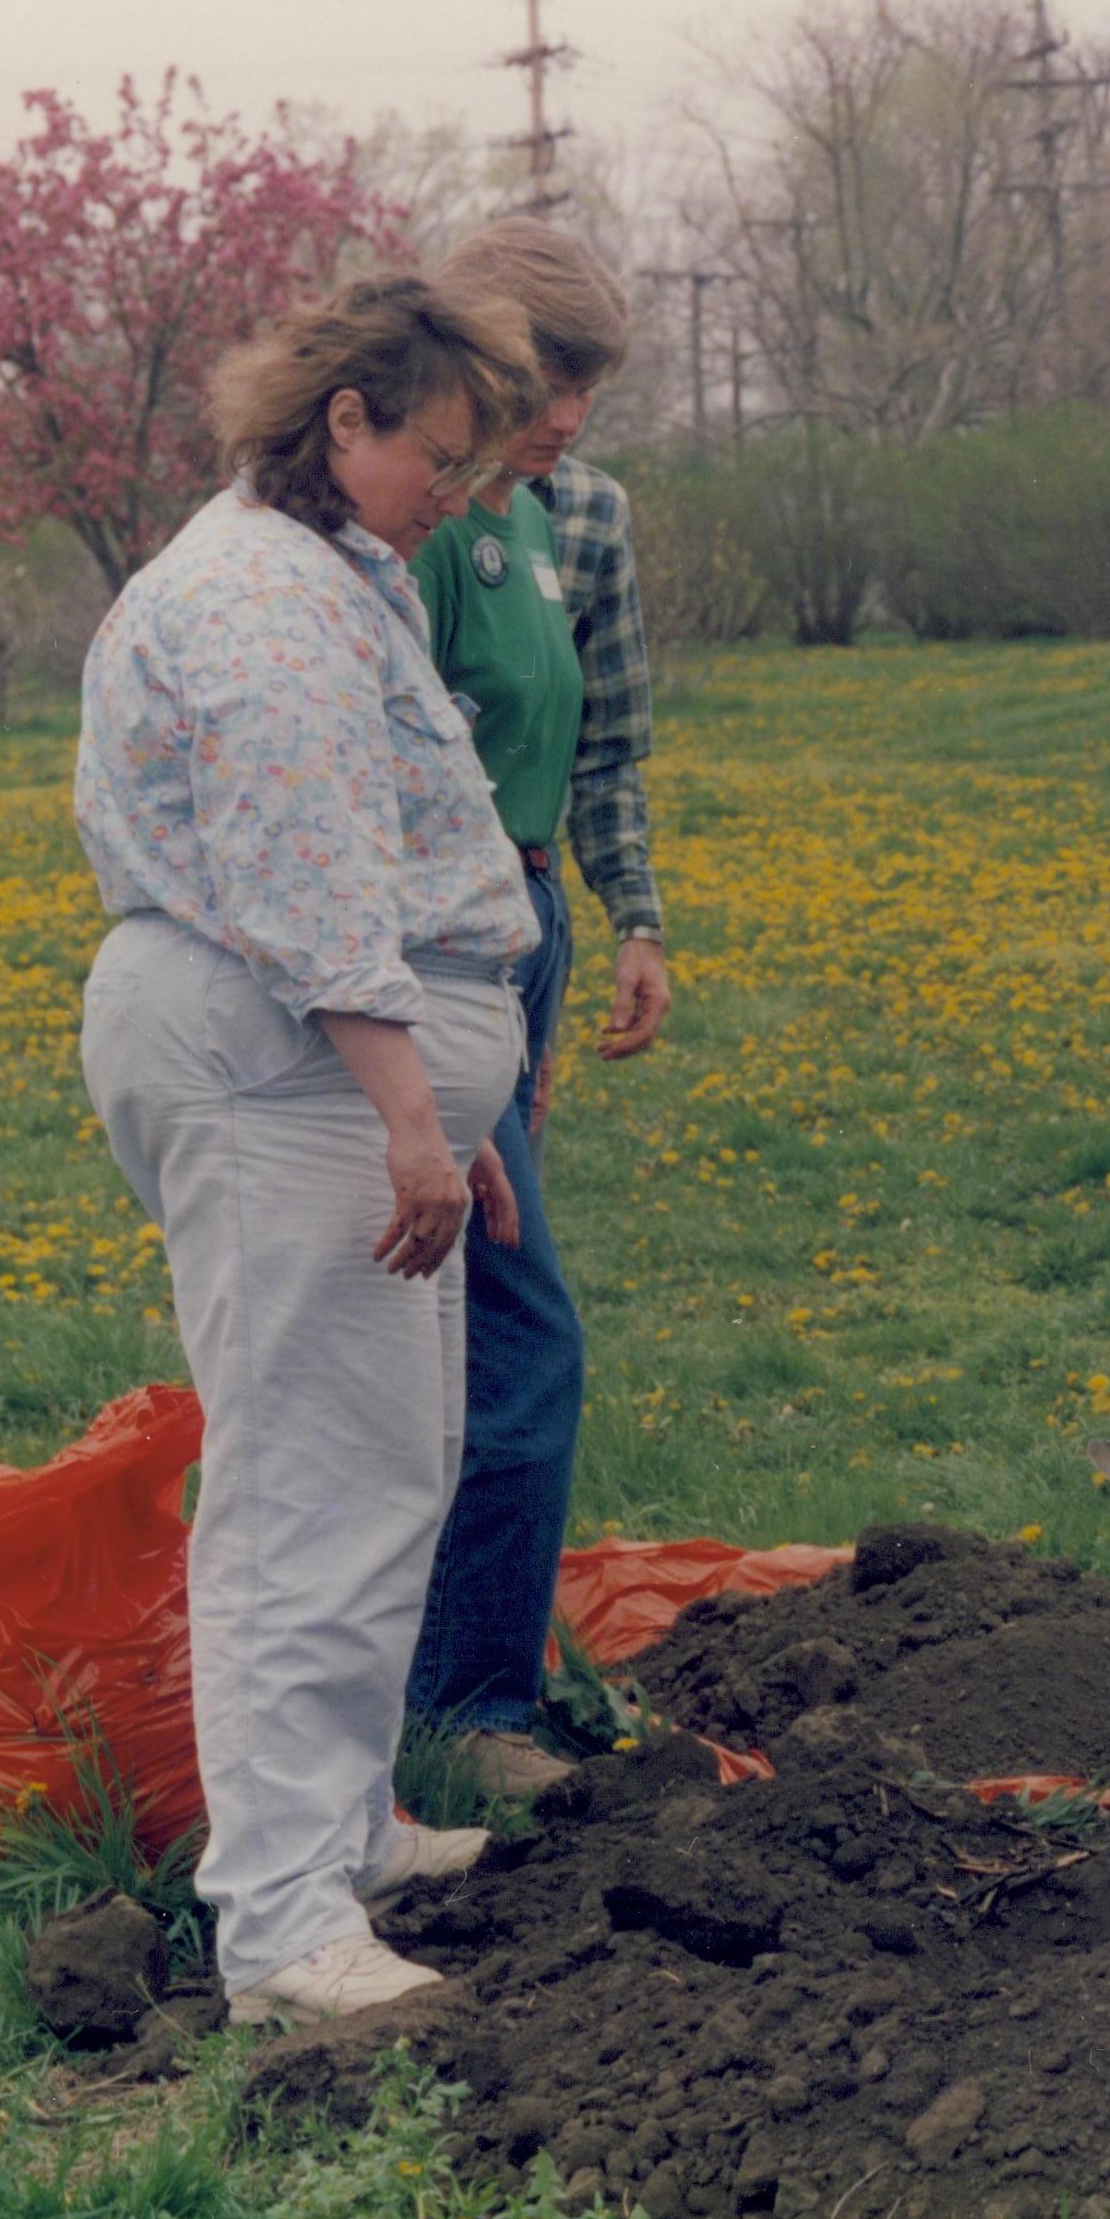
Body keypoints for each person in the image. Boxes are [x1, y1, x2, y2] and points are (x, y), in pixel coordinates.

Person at [75, 276, 543, 2025]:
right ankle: (278, 1925)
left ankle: (341, 1825)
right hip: (285, 1069)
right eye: (437, 453)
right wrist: (410, 1111)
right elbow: (311, 886)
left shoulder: (320, 567)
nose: (456, 491)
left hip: (329, 1078)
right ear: (344, 420)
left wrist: (450, 1123)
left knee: (390, 1458)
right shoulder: (264, 605)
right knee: (307, 1490)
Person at [401, 219, 673, 1798]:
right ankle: (469, 1709)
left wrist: (627, 918)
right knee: (516, 1325)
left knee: (486, 1305)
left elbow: (605, 745)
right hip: (431, 939)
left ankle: (454, 1671)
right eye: (548, 376)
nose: (567, 413)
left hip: (529, 924)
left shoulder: (589, 515)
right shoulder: (419, 514)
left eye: (589, 385)